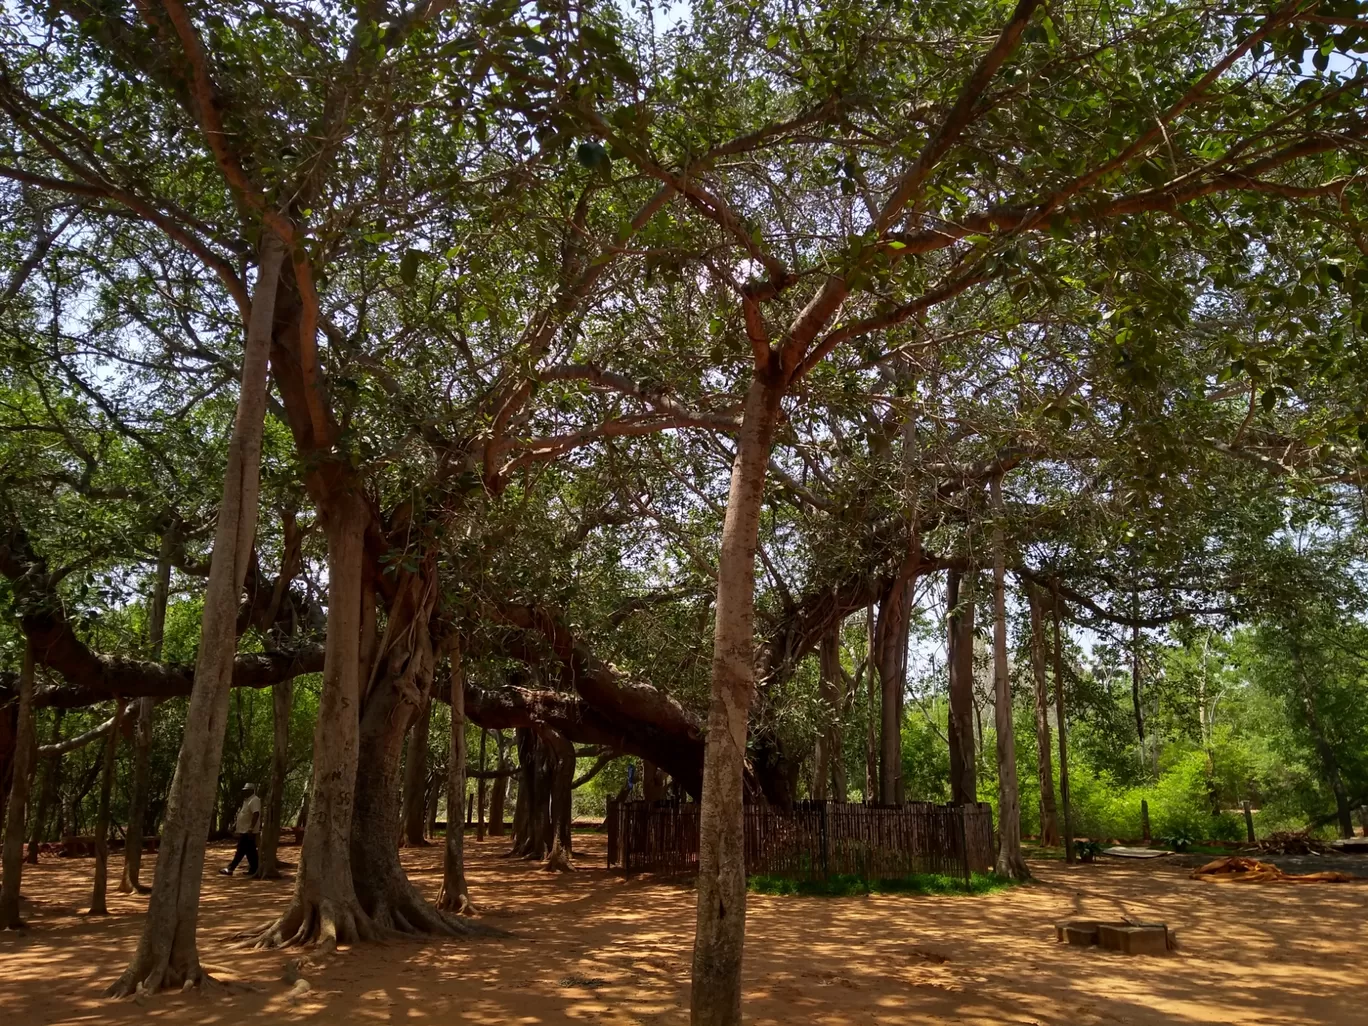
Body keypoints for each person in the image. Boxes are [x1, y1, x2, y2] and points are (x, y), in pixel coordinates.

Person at [221, 783, 261, 876]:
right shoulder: (247, 801)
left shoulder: (254, 800)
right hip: (244, 830)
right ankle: (254, 869)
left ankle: (230, 868)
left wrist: (251, 828)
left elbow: (256, 814)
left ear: (251, 791)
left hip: (248, 831)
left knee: (241, 849)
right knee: (250, 851)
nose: (244, 792)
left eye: (246, 790)